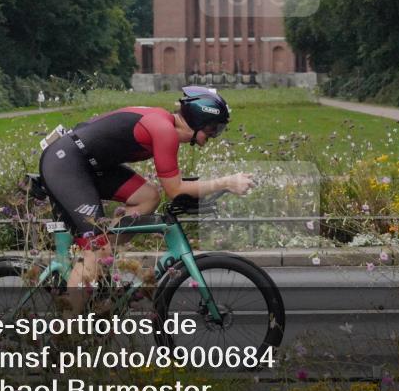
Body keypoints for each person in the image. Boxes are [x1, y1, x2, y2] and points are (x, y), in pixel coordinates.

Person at [38, 86, 253, 291]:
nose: (214, 135)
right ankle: (69, 327)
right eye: (213, 129)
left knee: (148, 197)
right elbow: (175, 190)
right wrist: (226, 182)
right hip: (66, 164)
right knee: (96, 249)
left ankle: (99, 260)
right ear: (199, 120)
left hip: (89, 164)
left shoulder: (166, 125)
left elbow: (170, 188)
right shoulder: (164, 130)